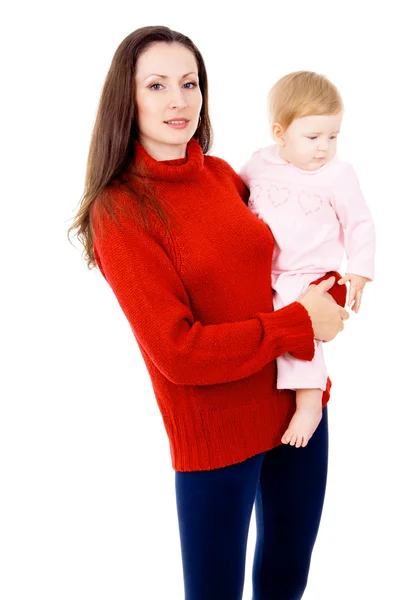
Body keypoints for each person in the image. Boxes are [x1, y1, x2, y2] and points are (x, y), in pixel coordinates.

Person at [68, 27, 349, 600]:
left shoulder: (224, 175)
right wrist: (301, 322)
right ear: (129, 98)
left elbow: (288, 261)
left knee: (287, 578)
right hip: (215, 435)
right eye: (157, 84)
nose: (179, 100)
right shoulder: (119, 210)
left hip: (298, 409)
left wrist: (332, 288)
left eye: (190, 83)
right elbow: (179, 353)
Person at [240, 71, 375, 450]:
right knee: (260, 327)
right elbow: (234, 197)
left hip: (309, 275)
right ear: (279, 133)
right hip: (266, 270)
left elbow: (360, 221)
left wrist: (360, 271)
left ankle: (309, 400)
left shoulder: (337, 174)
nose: (323, 148)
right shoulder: (259, 164)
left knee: (299, 326)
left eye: (333, 137)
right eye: (313, 137)